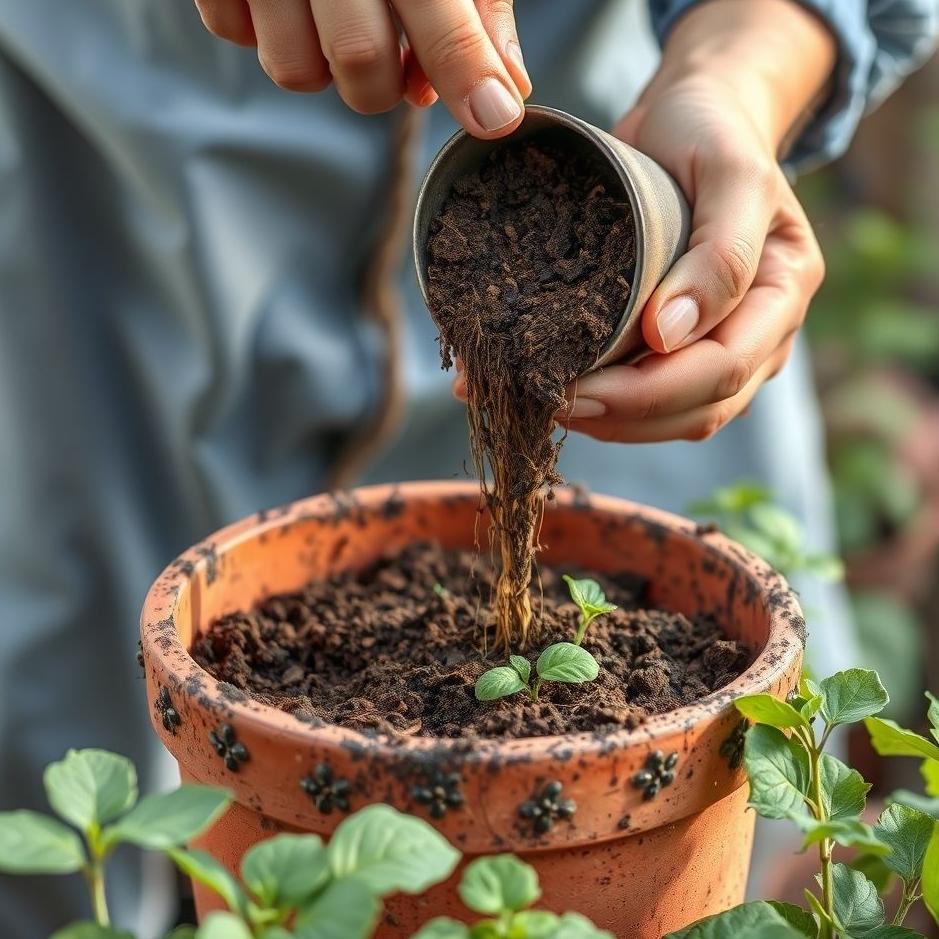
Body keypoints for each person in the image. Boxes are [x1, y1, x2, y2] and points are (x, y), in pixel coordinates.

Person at [0, 0, 935, 935]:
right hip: (121, 160)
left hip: (613, 127)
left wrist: (737, 69)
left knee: (739, 786)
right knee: (47, 703)